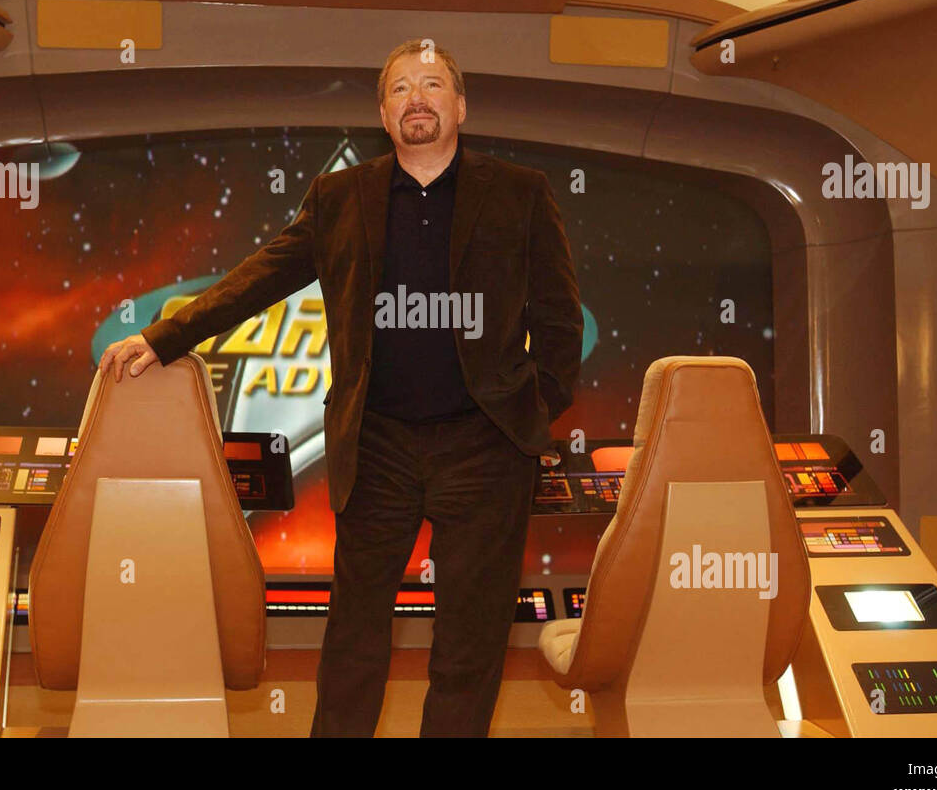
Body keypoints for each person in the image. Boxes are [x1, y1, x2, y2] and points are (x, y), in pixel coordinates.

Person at [100, 38, 582, 736]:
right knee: (354, 639)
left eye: (433, 84)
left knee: (469, 646)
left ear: (461, 105)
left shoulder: (520, 193)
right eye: (399, 89)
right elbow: (262, 275)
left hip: (485, 450)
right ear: (384, 115)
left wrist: (530, 413)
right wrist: (166, 335)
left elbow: (561, 321)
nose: (416, 98)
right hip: (377, 444)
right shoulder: (340, 197)